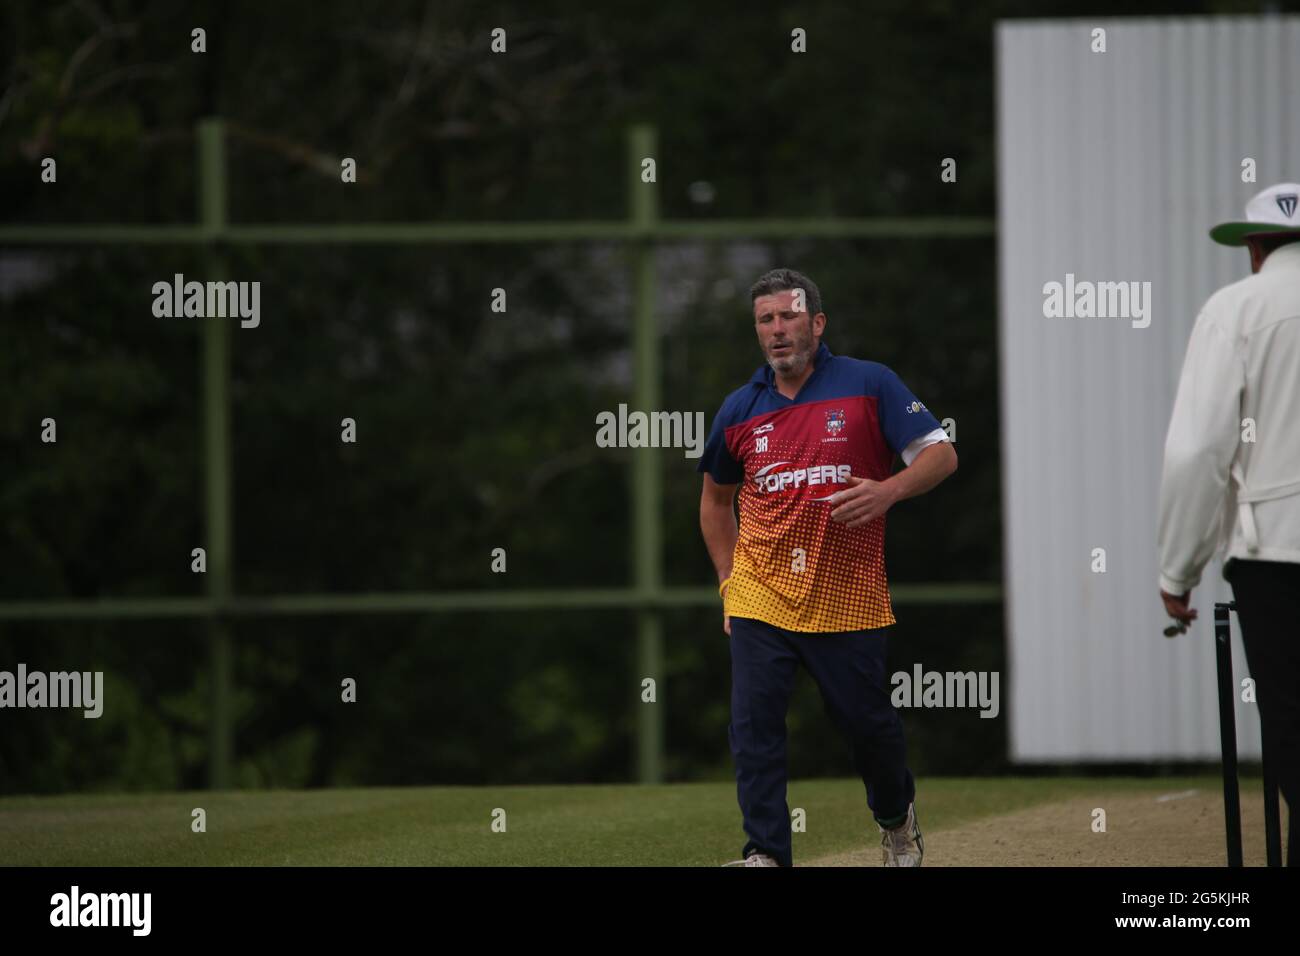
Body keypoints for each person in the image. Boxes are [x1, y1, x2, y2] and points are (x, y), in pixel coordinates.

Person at [698, 268, 958, 867]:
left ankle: (896, 823)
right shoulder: (739, 409)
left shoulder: (871, 384)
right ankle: (765, 853)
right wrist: (728, 582)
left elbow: (942, 455)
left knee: (869, 729)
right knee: (754, 728)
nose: (777, 330)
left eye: (788, 316)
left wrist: (888, 491)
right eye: (765, 320)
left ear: (816, 323)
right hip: (761, 595)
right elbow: (715, 502)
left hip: (849, 598)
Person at [1158, 182, 1300, 866]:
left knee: (1293, 726)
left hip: (1277, 555)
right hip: (1273, 549)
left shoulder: (1236, 309)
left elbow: (1200, 451)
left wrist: (1178, 569)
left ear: (1254, 246)